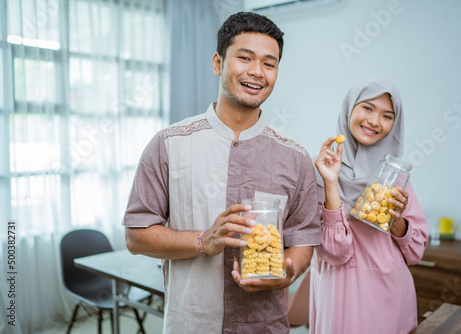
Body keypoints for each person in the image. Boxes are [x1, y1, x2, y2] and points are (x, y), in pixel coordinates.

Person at [122, 12, 320, 334]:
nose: (257, 72)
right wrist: (203, 240)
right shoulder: (168, 144)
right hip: (191, 324)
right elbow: (136, 235)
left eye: (269, 64)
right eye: (245, 58)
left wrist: (289, 272)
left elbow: (304, 239)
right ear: (218, 62)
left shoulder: (295, 157)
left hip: (265, 326)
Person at [310, 77, 428, 334]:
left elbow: (416, 252)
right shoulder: (320, 170)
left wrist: (396, 220)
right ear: (349, 108)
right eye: (367, 108)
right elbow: (335, 252)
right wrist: (331, 184)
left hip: (390, 293)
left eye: (387, 115)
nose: (375, 121)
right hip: (338, 293)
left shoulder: (395, 176)